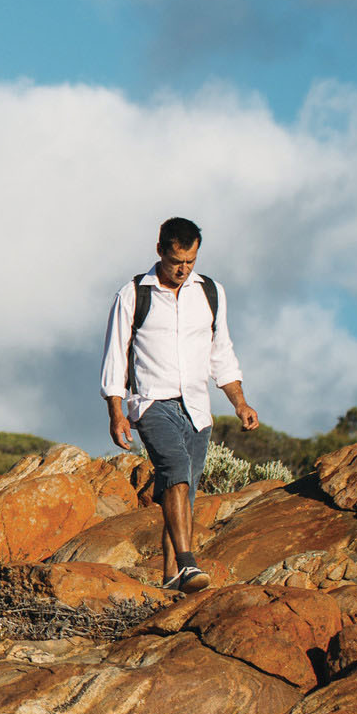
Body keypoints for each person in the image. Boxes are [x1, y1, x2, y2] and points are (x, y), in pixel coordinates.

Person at [98, 216, 262, 592]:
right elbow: (114, 357)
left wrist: (240, 402)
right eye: (176, 261)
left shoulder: (210, 292)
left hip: (198, 408)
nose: (183, 270)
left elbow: (222, 354)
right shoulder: (133, 293)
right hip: (152, 402)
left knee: (185, 491)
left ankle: (173, 577)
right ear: (160, 251)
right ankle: (189, 564)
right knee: (176, 469)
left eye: (190, 262)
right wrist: (116, 413)